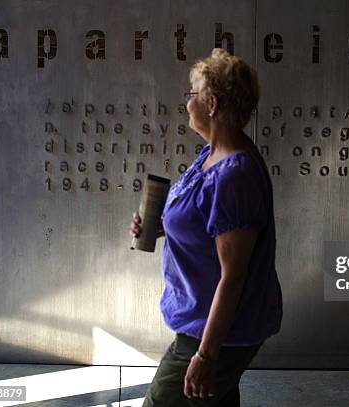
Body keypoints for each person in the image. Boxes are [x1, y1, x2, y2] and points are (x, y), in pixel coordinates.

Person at [129, 48, 283, 406]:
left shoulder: (235, 177)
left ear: (211, 104)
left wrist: (206, 357)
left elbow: (234, 276)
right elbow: (204, 223)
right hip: (202, 320)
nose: (187, 104)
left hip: (217, 333)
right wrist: (161, 227)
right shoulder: (212, 153)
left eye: (192, 94)